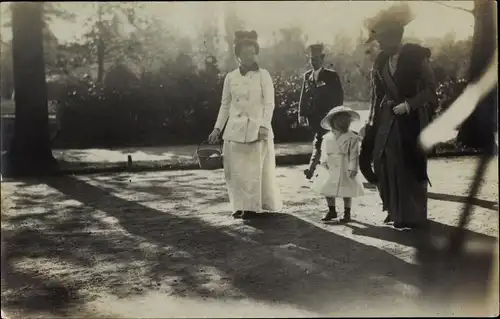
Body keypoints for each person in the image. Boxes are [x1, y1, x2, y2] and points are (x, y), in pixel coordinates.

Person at [362, 3, 438, 229]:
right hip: (387, 118)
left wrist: (409, 105)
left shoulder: (416, 56)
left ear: (395, 37)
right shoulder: (381, 61)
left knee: (409, 163)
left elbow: (431, 90)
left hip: (410, 119)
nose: (380, 44)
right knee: (383, 161)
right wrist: (371, 121)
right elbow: (376, 94)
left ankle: (413, 215)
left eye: (384, 39)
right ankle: (393, 209)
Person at [208, 30, 282, 220]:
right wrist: (217, 128)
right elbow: (225, 105)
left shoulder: (263, 75)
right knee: (236, 172)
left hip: (256, 130)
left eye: (252, 52)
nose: (249, 56)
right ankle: (240, 206)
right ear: (238, 55)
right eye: (245, 52)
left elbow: (269, 104)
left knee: (252, 171)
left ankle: (251, 207)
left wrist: (265, 126)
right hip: (234, 130)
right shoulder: (231, 77)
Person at [311, 106, 365, 222]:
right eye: (338, 120)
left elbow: (354, 155)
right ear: (332, 122)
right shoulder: (327, 137)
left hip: (345, 166)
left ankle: (347, 213)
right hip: (330, 166)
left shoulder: (352, 138)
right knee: (327, 188)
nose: (342, 123)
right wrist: (323, 162)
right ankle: (332, 210)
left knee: (347, 190)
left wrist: (353, 168)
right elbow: (324, 151)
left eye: (345, 120)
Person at [298, 44, 344, 180]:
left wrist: (336, 113)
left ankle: (315, 169)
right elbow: (304, 96)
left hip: (328, 116)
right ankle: (315, 169)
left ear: (322, 59)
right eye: (311, 59)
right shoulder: (307, 76)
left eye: (316, 59)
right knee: (319, 140)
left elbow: (338, 95)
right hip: (314, 116)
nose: (313, 62)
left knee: (324, 142)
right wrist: (301, 113)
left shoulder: (331, 75)